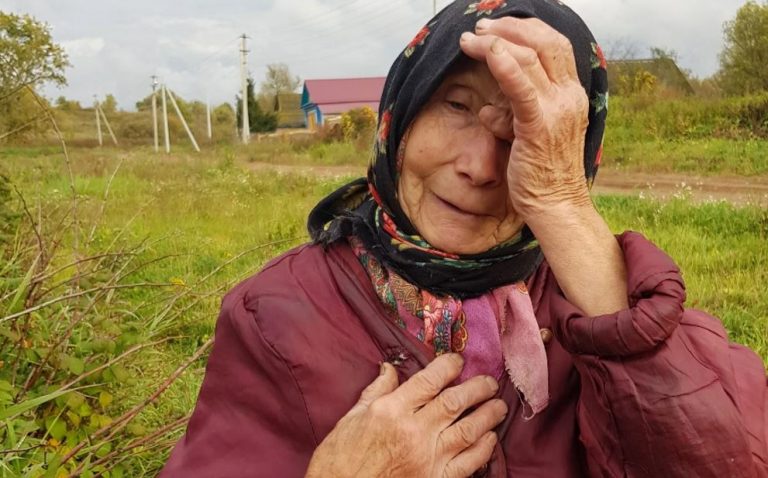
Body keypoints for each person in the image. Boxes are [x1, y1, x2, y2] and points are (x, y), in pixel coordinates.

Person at [161, 1, 768, 477]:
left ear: (571, 152)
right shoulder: (276, 314)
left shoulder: (609, 299)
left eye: (522, 131)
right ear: (401, 113)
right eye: (457, 104)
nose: (479, 166)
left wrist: (562, 207)